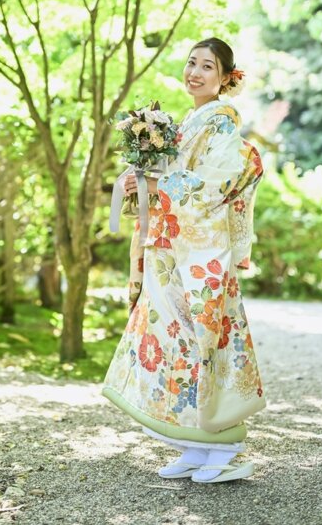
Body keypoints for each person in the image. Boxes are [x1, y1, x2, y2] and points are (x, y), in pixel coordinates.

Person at [101, 37, 266, 483]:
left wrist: (157, 186)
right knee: (173, 340)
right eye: (192, 63)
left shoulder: (222, 123)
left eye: (207, 66)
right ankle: (194, 445)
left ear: (225, 78)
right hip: (173, 247)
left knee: (200, 341)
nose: (195, 72)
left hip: (199, 252)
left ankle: (225, 448)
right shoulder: (190, 122)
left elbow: (215, 185)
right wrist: (141, 181)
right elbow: (170, 179)